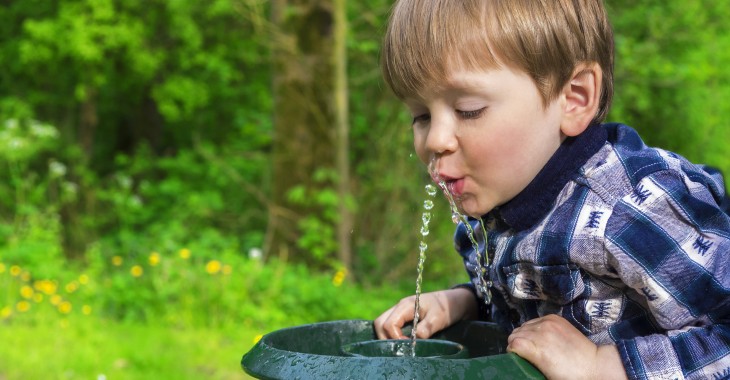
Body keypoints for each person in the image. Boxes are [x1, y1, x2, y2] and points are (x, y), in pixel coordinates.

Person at [372, 0, 730, 379]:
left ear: (573, 98)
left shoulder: (626, 208)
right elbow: (525, 303)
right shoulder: (496, 206)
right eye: (421, 116)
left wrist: (601, 367)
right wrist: (462, 303)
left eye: (469, 109)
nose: (436, 140)